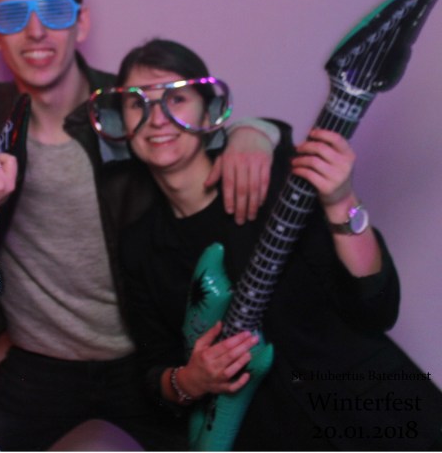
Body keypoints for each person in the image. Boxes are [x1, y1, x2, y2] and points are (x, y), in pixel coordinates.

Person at [0, 0, 281, 450]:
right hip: (36, 366)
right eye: (13, 15)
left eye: (54, 11)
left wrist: (256, 131)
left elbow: (204, 126)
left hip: (140, 363)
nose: (36, 31)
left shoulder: (128, 106)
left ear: (81, 23)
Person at [92, 38, 442, 450]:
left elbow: (377, 307)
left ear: (208, 110)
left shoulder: (275, 179)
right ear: (121, 121)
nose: (157, 118)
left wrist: (341, 201)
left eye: (177, 98)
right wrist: (190, 380)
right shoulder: (140, 247)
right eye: (138, 104)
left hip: (381, 415)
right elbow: (155, 376)